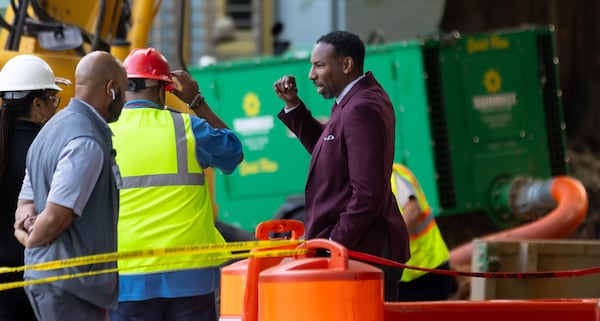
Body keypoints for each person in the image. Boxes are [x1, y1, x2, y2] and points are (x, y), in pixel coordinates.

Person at [273, 30, 410, 301]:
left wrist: (333, 243)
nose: (311, 75)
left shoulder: (361, 107)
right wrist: (294, 107)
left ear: (346, 65)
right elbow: (330, 150)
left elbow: (368, 194)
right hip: (359, 251)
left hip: (363, 254)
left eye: (319, 65)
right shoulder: (353, 100)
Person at [108, 48, 243, 321]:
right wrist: (196, 100)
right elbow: (233, 153)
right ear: (164, 90)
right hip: (190, 277)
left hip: (128, 277)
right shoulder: (187, 128)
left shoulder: (104, 133)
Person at [13, 50, 128, 321]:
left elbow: (24, 205)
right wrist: (33, 239)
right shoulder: (85, 140)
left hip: (52, 281)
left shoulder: (52, 129)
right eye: (122, 91)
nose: (124, 100)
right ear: (111, 89)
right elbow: (55, 217)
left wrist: (26, 229)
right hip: (73, 286)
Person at [0, 54, 68, 321]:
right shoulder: (55, 148)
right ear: (38, 105)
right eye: (53, 100)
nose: (55, 108)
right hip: (41, 276)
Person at [390, 163, 456, 301]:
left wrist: (389, 247)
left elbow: (413, 212)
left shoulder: (392, 175)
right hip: (410, 274)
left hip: (426, 271)